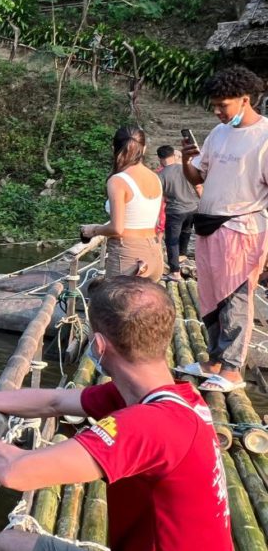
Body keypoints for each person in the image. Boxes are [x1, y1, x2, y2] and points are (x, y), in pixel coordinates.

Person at [0, 276, 232, 551]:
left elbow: (14, 470)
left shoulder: (148, 425)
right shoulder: (172, 398)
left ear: (98, 346)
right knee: (9, 544)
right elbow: (55, 402)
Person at [179, 65, 268, 393]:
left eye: (223, 105)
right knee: (211, 297)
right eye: (214, 105)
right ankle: (215, 360)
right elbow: (199, 179)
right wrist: (189, 162)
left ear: (246, 100)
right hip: (209, 225)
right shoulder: (218, 133)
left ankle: (232, 370)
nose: (217, 111)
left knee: (235, 298)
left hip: (243, 228)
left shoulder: (265, 137)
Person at [80, 126, 164, 281]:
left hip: (129, 256)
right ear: (144, 149)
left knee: (115, 305)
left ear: (114, 148)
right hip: (154, 253)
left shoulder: (118, 181)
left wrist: (93, 230)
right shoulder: (155, 178)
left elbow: (117, 228)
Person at [156, 144, 200, 281]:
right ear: (173, 156)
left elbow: (159, 198)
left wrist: (157, 217)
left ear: (160, 158)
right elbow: (198, 185)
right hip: (192, 207)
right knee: (186, 232)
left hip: (175, 210)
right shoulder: (185, 168)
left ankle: (174, 272)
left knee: (171, 240)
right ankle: (182, 256)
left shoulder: (161, 175)